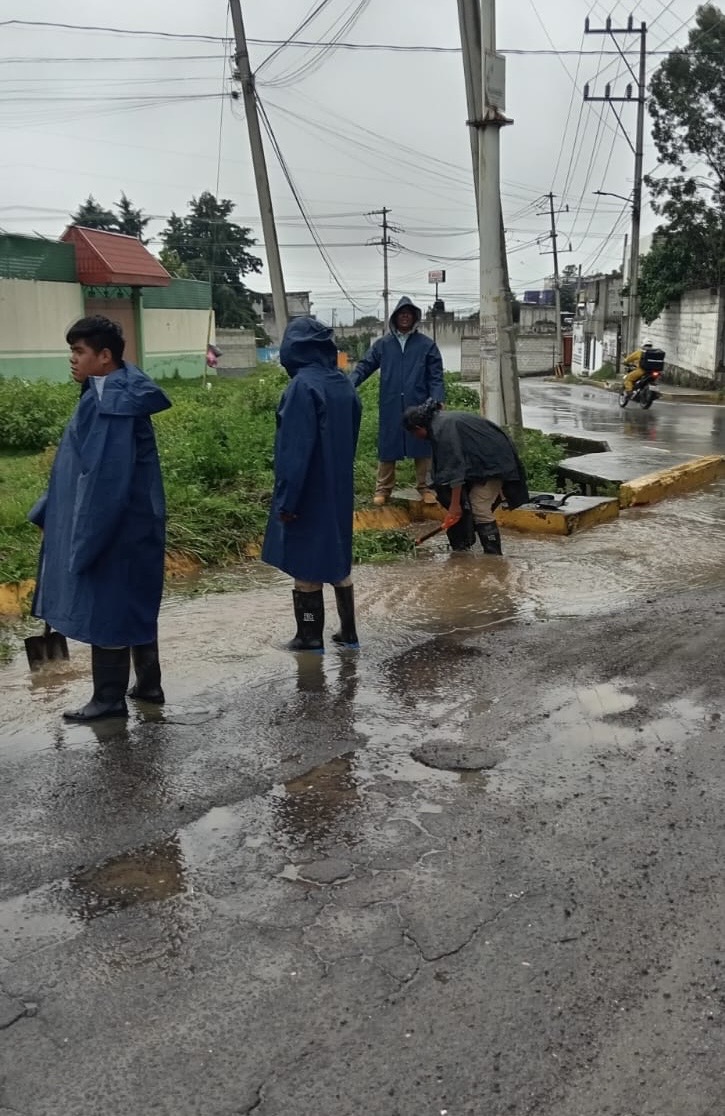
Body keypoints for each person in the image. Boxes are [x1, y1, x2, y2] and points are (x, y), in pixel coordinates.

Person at [28, 316, 171, 722]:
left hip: (115, 525)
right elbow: (79, 468)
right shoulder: (112, 388)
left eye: (79, 352)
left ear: (104, 357)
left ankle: (108, 699)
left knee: (108, 606)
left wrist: (83, 540)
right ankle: (147, 684)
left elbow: (105, 483)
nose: (72, 360)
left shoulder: (113, 406)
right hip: (134, 521)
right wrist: (49, 510)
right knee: (133, 602)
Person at [262, 316, 362, 652]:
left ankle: (308, 636)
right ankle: (348, 633)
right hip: (338, 486)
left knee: (305, 563)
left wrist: (288, 501)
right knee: (337, 557)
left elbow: (294, 451)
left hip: (309, 490)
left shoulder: (302, 387)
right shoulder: (343, 383)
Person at [350, 296, 444, 506]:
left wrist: (437, 399)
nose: (405, 317)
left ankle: (426, 487)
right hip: (391, 403)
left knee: (423, 445)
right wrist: (349, 384)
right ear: (395, 317)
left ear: (414, 318)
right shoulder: (383, 344)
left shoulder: (426, 345)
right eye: (401, 314)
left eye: (408, 314)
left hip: (418, 403)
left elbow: (436, 375)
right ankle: (383, 489)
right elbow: (365, 366)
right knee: (388, 445)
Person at [403, 400, 529, 555]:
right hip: (481, 461)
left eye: (413, 434)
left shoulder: (442, 429)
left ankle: (494, 559)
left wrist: (455, 507)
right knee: (473, 507)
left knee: (478, 507)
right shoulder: (439, 423)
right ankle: (471, 550)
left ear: (418, 428)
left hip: (495, 463)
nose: (416, 437)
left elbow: (455, 472)